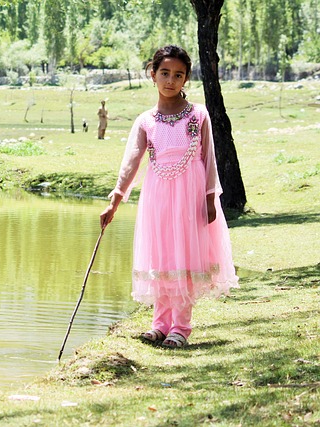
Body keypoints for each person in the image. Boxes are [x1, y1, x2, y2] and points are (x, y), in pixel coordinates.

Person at [99, 45, 238, 348]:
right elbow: (133, 159)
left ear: (186, 78)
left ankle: (181, 327)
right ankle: (159, 324)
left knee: (184, 254)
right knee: (162, 254)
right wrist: (117, 197)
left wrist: (211, 197)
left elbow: (209, 158)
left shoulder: (198, 115)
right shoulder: (146, 121)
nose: (170, 80)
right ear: (153, 75)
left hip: (191, 195)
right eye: (164, 73)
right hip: (158, 196)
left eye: (178, 75)